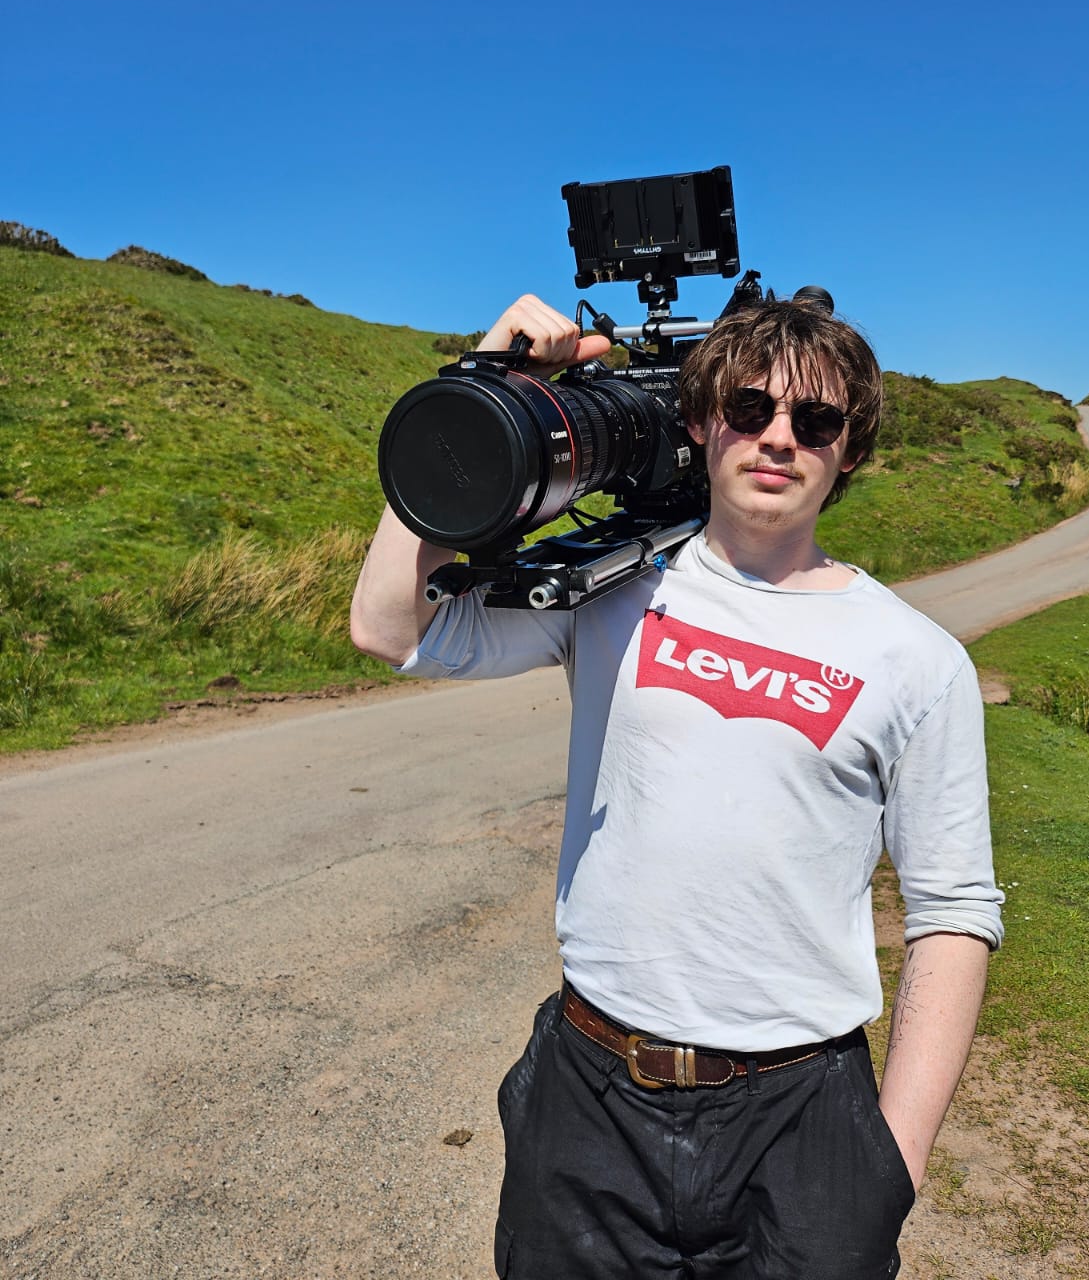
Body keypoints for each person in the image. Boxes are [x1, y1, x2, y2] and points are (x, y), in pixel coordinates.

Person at [351, 292, 1004, 1280]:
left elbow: (954, 913)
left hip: (804, 1108)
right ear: (701, 423)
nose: (777, 437)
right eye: (747, 409)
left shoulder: (917, 659)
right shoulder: (609, 588)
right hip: (591, 1090)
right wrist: (485, 379)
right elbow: (389, 626)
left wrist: (889, 1166)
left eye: (815, 421)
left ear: (849, 450)